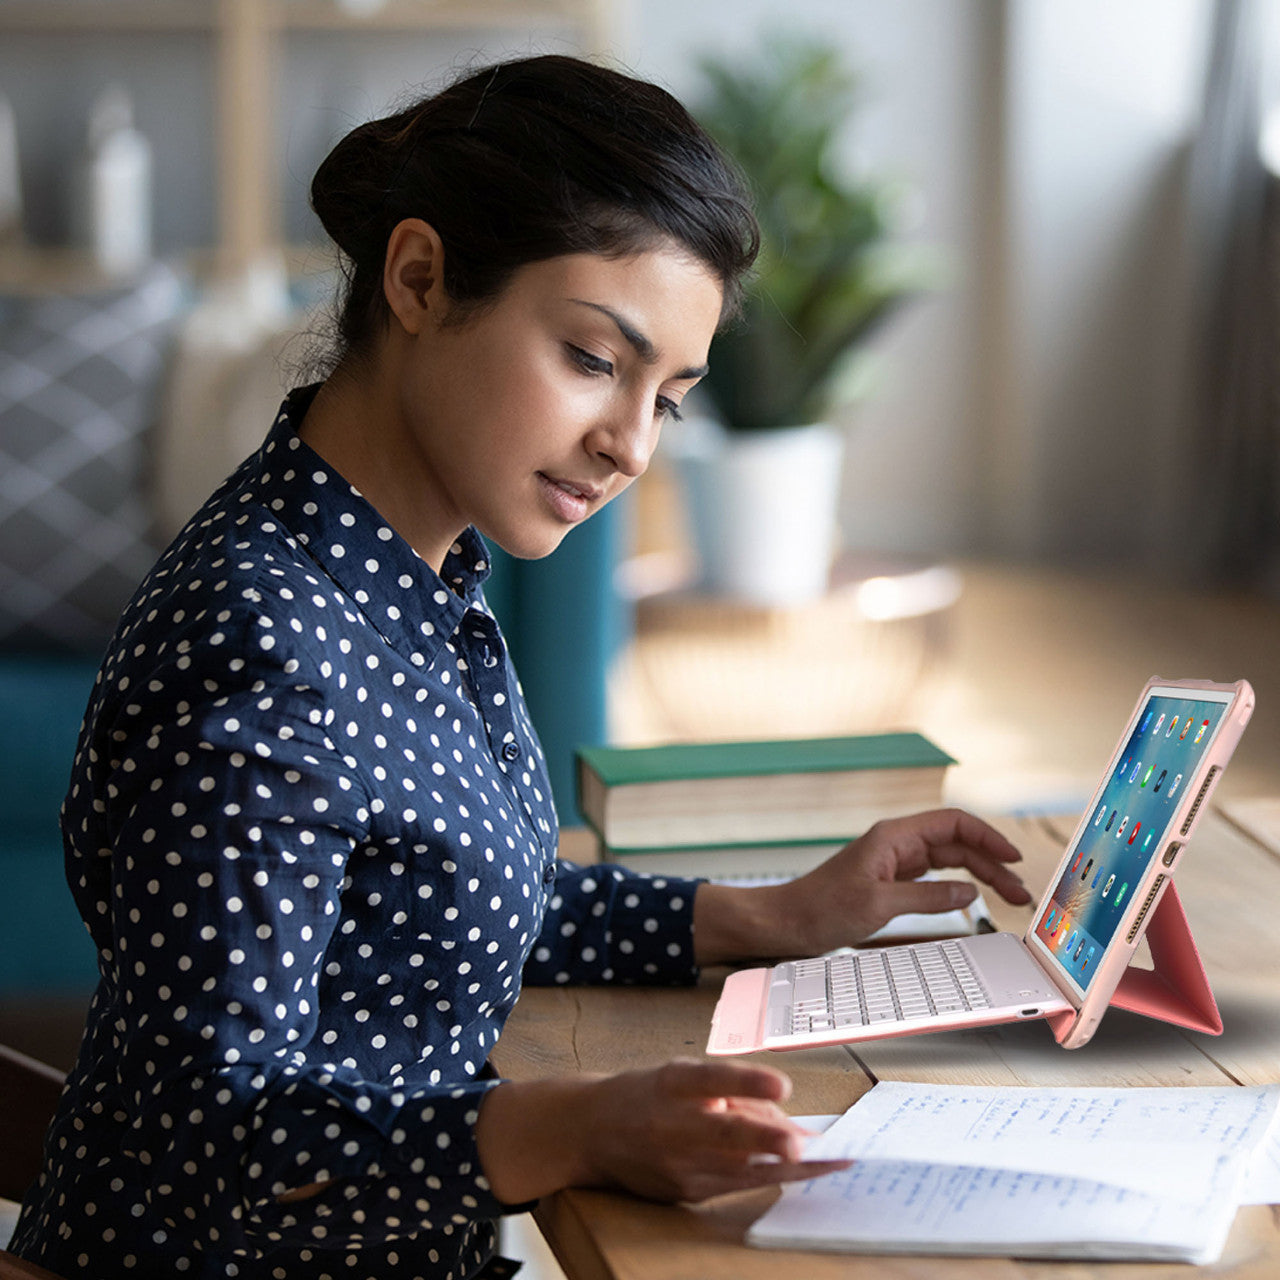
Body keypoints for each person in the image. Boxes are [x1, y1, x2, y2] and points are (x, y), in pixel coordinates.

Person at [12, 54, 1031, 1280]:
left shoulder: (409, 575)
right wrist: (578, 1121)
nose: (629, 444)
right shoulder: (263, 641)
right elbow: (211, 1142)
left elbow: (435, 905)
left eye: (671, 396)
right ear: (420, 279)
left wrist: (774, 912)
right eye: (597, 359)